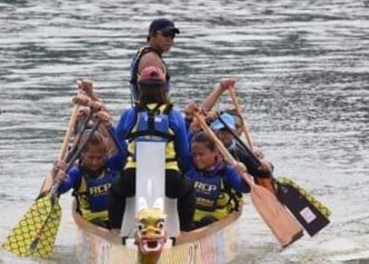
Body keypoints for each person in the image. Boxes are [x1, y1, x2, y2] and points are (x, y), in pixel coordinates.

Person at [108, 65, 196, 233]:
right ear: (164, 88)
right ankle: (185, 232)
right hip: (168, 174)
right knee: (189, 188)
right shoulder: (173, 115)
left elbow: (119, 138)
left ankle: (114, 230)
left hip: (134, 173)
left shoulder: (130, 113)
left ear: (139, 88)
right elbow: (184, 153)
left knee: (115, 188)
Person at [55, 115, 128, 228]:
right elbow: (62, 188)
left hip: (116, 219)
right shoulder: (76, 173)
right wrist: (57, 176)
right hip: (93, 222)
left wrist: (109, 127)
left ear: (105, 155)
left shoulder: (111, 166)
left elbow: (123, 151)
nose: (95, 162)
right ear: (83, 155)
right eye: (91, 157)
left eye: (99, 158)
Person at [186, 131, 247, 228]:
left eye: (201, 154)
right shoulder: (189, 167)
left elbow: (245, 189)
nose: (197, 158)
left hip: (216, 221)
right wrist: (192, 130)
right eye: (194, 154)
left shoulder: (228, 171)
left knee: (207, 221)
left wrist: (244, 173)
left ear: (215, 152)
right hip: (190, 222)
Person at [129, 18, 179, 104]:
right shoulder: (151, 60)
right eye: (166, 35)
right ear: (152, 35)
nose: (169, 39)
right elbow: (153, 97)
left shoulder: (146, 54)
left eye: (172, 36)